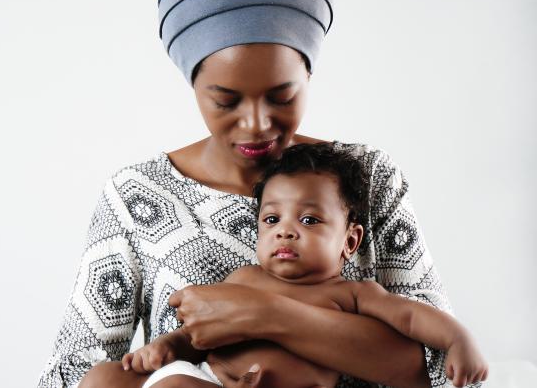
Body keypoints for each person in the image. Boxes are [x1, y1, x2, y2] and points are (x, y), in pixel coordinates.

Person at [37, 0, 470, 387]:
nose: (257, 124)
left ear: (309, 76)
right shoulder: (136, 195)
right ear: (193, 85)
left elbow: (441, 369)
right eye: (226, 101)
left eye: (282, 97)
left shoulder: (367, 176)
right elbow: (67, 373)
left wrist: (267, 313)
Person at [112, 143, 488, 388]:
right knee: (168, 384)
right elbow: (200, 334)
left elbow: (410, 316)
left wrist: (458, 339)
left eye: (309, 221)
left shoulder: (352, 294)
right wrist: (167, 347)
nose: (285, 233)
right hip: (214, 382)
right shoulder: (243, 280)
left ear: (350, 241)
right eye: (272, 220)